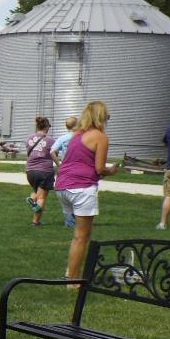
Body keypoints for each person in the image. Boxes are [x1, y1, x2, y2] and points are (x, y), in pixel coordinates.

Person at [56, 101, 122, 283]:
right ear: (101, 117)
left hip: (62, 185)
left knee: (77, 236)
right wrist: (111, 171)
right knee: (81, 237)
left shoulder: (76, 135)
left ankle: (70, 271)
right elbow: (99, 169)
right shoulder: (100, 137)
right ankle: (72, 281)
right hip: (81, 188)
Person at [24, 117, 55, 227]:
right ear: (46, 127)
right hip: (44, 171)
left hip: (30, 171)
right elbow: (55, 153)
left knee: (37, 193)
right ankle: (35, 222)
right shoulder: (50, 141)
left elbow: (29, 152)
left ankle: (32, 198)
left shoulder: (29, 138)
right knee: (41, 198)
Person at [50, 116, 79, 227]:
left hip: (66, 168)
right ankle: (78, 220)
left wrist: (59, 164)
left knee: (66, 192)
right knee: (78, 193)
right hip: (78, 167)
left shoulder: (63, 138)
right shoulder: (81, 137)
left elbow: (52, 151)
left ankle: (69, 222)